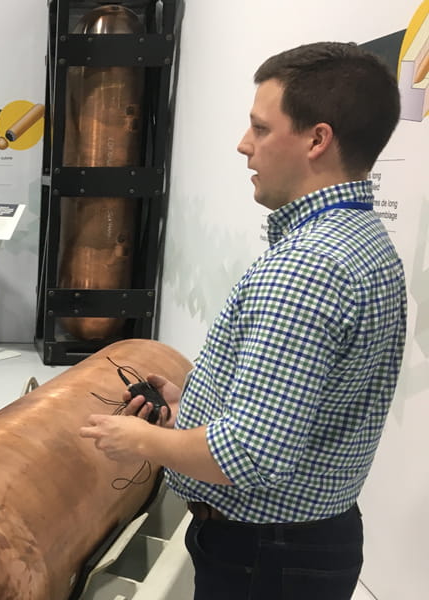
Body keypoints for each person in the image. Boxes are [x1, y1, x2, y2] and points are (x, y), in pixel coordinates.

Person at [80, 41, 405, 600]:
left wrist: (138, 439)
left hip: (264, 557)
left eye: (260, 127)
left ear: (316, 140)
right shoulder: (363, 243)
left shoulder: (307, 267)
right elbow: (307, 407)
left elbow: (249, 454)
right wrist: (190, 404)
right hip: (302, 544)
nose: (243, 144)